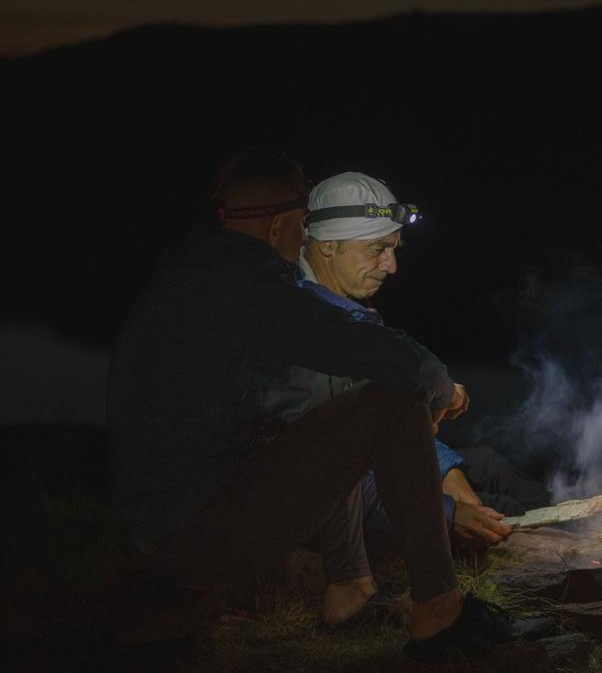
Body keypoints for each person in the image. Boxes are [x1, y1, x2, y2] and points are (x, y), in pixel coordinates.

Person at [107, 147, 509, 660]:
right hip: (195, 533)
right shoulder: (253, 293)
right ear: (279, 227)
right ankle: (441, 618)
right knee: (394, 397)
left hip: (163, 521)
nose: (304, 240)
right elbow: (402, 368)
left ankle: (351, 586)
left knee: (359, 402)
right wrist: (444, 392)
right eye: (302, 226)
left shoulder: (194, 275)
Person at [263, 171, 539, 624]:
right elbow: (333, 467)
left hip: (372, 476)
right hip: (331, 509)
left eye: (393, 249)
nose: (391, 267)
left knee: (486, 462)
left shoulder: (343, 304)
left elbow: (391, 423)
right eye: (377, 250)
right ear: (328, 244)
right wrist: (450, 513)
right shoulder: (310, 327)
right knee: (505, 514)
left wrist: (450, 481)